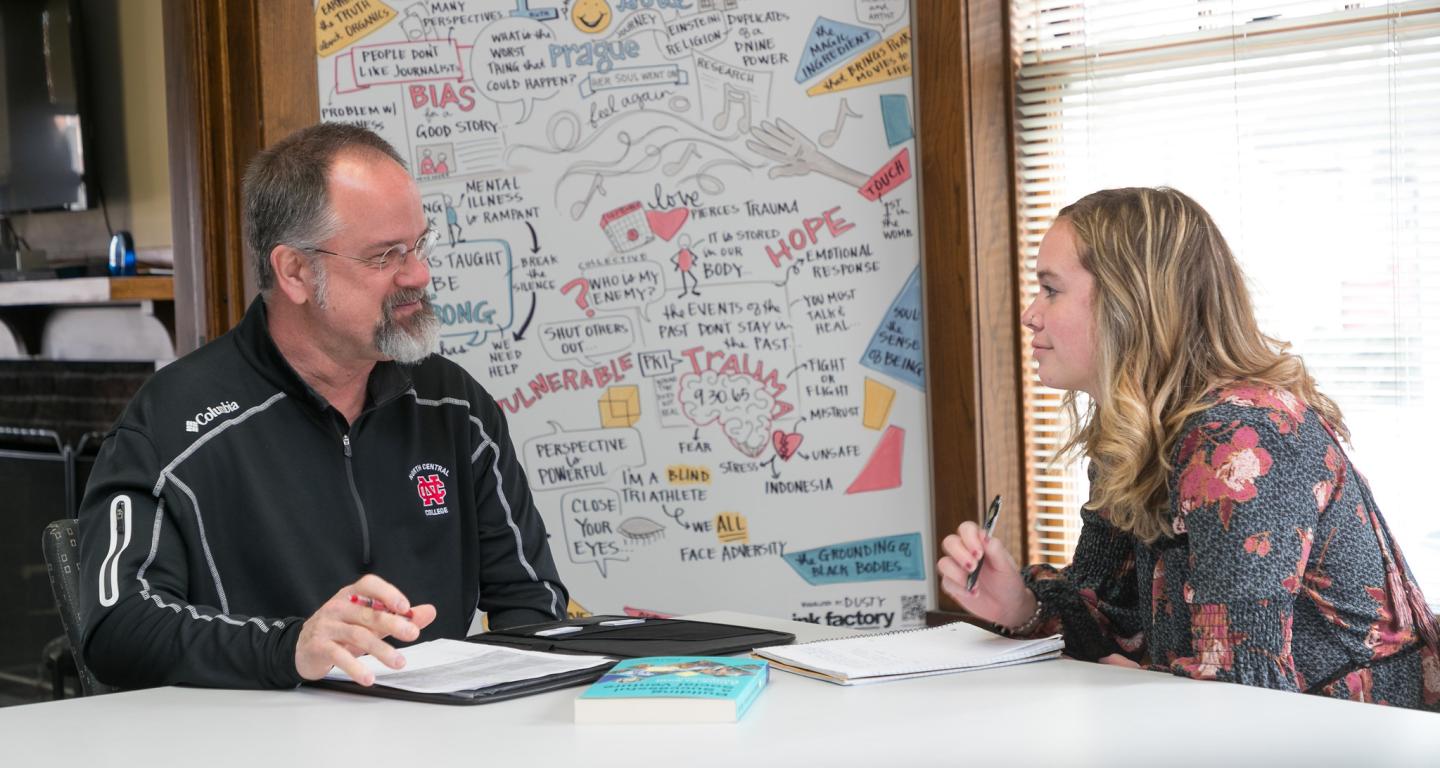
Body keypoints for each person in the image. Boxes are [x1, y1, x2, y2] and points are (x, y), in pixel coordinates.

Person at [77, 123, 568, 690]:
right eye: (386, 255)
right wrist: (290, 649)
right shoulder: (173, 423)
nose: (419, 274)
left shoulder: (455, 406)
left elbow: (533, 602)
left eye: (420, 245)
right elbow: (116, 628)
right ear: (295, 272)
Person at [939, 187, 1440, 710]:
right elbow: (1107, 612)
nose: (1029, 314)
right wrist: (1018, 604)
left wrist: (1134, 676)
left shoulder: (1240, 440)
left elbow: (1242, 692)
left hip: (1356, 740)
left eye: (1050, 289)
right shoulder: (1135, 432)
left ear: (1128, 302)